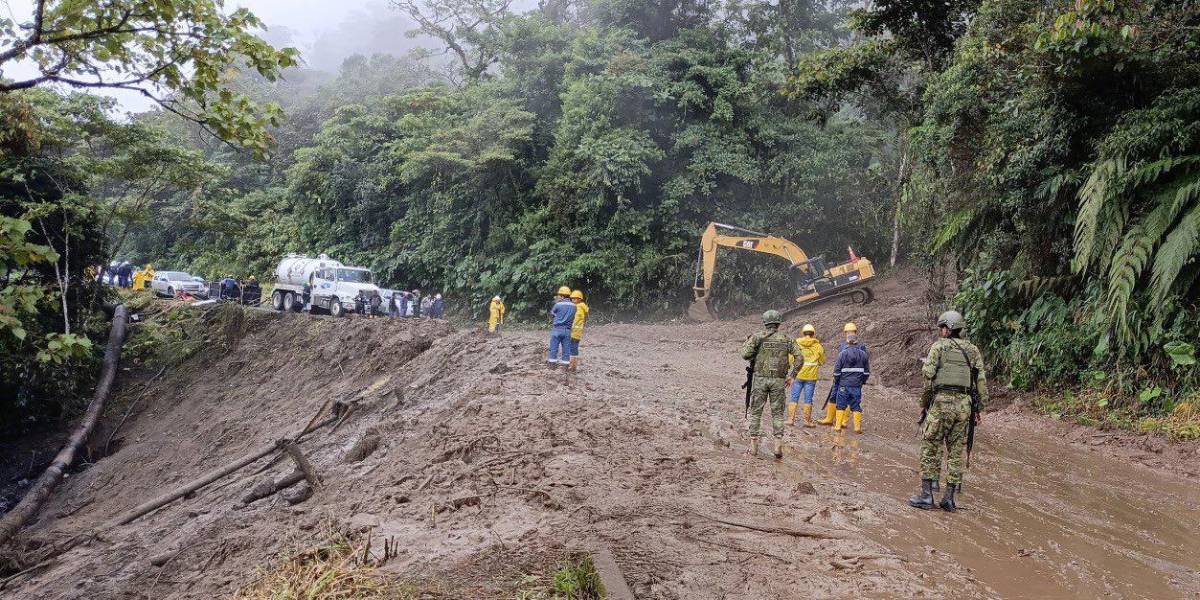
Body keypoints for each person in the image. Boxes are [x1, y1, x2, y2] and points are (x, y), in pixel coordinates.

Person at [909, 310, 988, 513]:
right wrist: (978, 409)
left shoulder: (939, 347)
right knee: (955, 452)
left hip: (942, 403)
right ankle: (949, 498)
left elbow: (928, 378)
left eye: (942, 328)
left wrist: (924, 403)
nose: (941, 331)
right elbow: (980, 382)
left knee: (930, 446)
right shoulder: (973, 350)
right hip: (964, 407)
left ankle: (927, 495)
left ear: (947, 329)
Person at [740, 310, 802, 459]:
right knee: (778, 414)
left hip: (760, 379)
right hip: (779, 381)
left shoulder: (757, 337)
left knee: (756, 413)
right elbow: (800, 357)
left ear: (765, 322)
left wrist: (747, 343)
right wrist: (792, 376)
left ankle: (754, 447)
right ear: (778, 323)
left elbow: (745, 354)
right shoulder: (787, 339)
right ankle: (777, 447)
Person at [785, 323, 825, 427]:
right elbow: (822, 361)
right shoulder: (818, 346)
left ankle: (790, 419)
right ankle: (807, 421)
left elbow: (790, 359)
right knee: (808, 399)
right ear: (813, 334)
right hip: (811, 377)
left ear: (803, 333)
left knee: (794, 397)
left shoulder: (797, 344)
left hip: (798, 375)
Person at [831, 326, 869, 434]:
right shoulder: (863, 354)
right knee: (856, 405)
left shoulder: (843, 354)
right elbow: (866, 372)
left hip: (843, 385)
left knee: (841, 404)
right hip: (857, 385)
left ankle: (838, 427)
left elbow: (836, 371)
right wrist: (862, 381)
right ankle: (857, 428)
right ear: (857, 342)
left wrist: (837, 381)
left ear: (847, 342)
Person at [547, 286, 576, 368]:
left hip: (556, 329)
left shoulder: (558, 305)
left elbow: (552, 314)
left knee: (553, 348)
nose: (559, 296)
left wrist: (557, 316)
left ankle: (552, 365)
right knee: (566, 350)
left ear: (562, 295)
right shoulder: (574, 306)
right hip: (567, 331)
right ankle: (565, 367)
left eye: (559, 295)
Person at [567, 290, 589, 371]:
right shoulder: (581, 307)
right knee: (574, 348)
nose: (573, 300)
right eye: (572, 299)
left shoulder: (578, 307)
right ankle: (573, 365)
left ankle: (572, 365)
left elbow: (576, 319)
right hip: (577, 332)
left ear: (579, 299)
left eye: (575, 299)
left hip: (574, 332)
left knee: (572, 348)